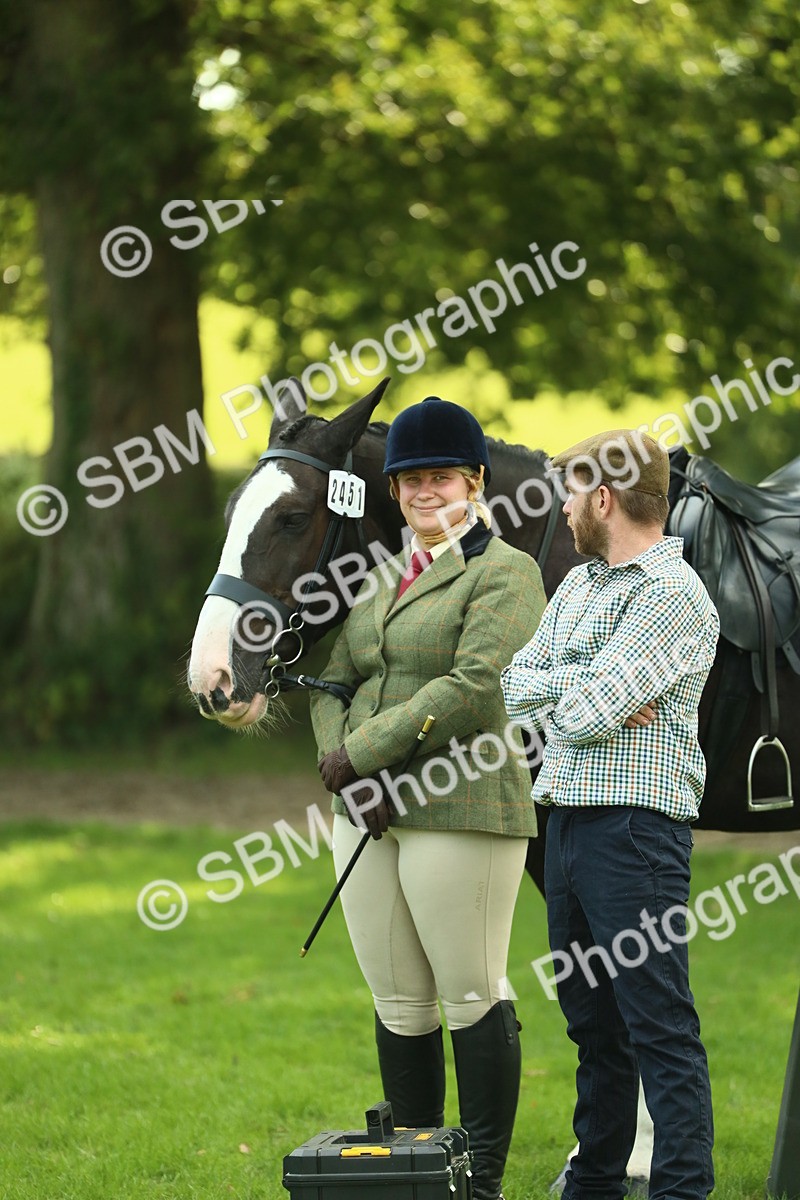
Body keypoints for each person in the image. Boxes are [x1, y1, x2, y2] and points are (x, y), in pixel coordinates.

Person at [309, 396, 547, 1200]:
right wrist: (341, 764)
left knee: (470, 992)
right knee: (400, 1002)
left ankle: (480, 1185)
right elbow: (332, 677)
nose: (422, 492)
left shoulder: (507, 572)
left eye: (439, 477)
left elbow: (477, 688)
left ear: (475, 482)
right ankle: (414, 1180)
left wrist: (364, 752)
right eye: (409, 479)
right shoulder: (377, 579)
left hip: (463, 803)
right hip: (369, 814)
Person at [501, 429, 719, 1200]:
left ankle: (682, 1188)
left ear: (605, 497)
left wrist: (580, 691)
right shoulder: (579, 588)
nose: (560, 507)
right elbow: (512, 687)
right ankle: (595, 1182)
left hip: (636, 835)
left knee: (658, 1024)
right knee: (591, 1025)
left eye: (571, 491)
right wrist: (590, 688)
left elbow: (588, 708)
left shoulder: (674, 596)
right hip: (565, 828)